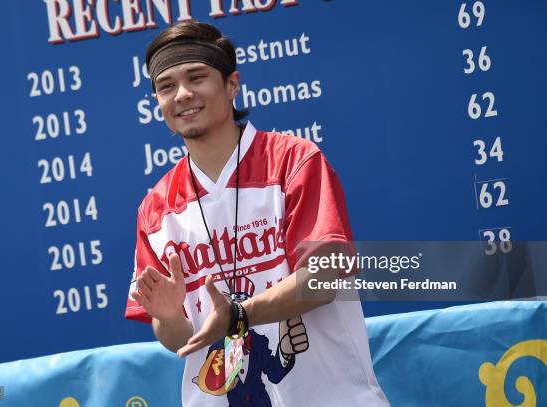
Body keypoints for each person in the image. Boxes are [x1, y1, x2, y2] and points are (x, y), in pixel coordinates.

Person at [125, 20, 389, 407]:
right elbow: (181, 339)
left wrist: (239, 314)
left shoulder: (293, 161)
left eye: (196, 77)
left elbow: (324, 277)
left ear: (232, 84)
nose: (182, 94)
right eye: (166, 86)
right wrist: (167, 318)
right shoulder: (155, 208)